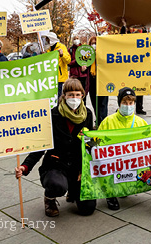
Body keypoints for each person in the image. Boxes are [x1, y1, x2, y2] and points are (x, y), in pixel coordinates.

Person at [15, 78, 95, 217]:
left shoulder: (87, 114)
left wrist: (86, 168)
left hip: (77, 166)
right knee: (56, 185)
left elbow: (89, 143)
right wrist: (25, 166)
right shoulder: (53, 114)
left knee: (88, 209)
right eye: (70, 95)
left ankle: (73, 190)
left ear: (82, 95)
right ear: (64, 96)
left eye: (77, 94)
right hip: (56, 165)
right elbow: (41, 145)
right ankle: (50, 199)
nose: (74, 98)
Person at [98, 87, 148, 210]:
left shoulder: (141, 122)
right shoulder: (108, 121)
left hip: (131, 161)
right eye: (124, 103)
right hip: (113, 162)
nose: (128, 105)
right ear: (119, 103)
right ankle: (110, 194)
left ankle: (125, 186)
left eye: (131, 103)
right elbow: (98, 144)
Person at [86, 36, 108, 127]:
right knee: (95, 103)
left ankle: (103, 122)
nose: (94, 45)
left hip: (102, 80)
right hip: (92, 80)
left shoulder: (103, 54)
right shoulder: (87, 55)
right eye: (92, 43)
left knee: (102, 103)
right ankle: (98, 121)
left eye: (96, 43)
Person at [41, 32, 71, 99]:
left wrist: (62, 55)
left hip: (59, 78)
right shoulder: (47, 49)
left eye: (47, 39)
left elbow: (68, 60)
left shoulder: (62, 47)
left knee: (58, 98)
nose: (46, 41)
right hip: (50, 78)